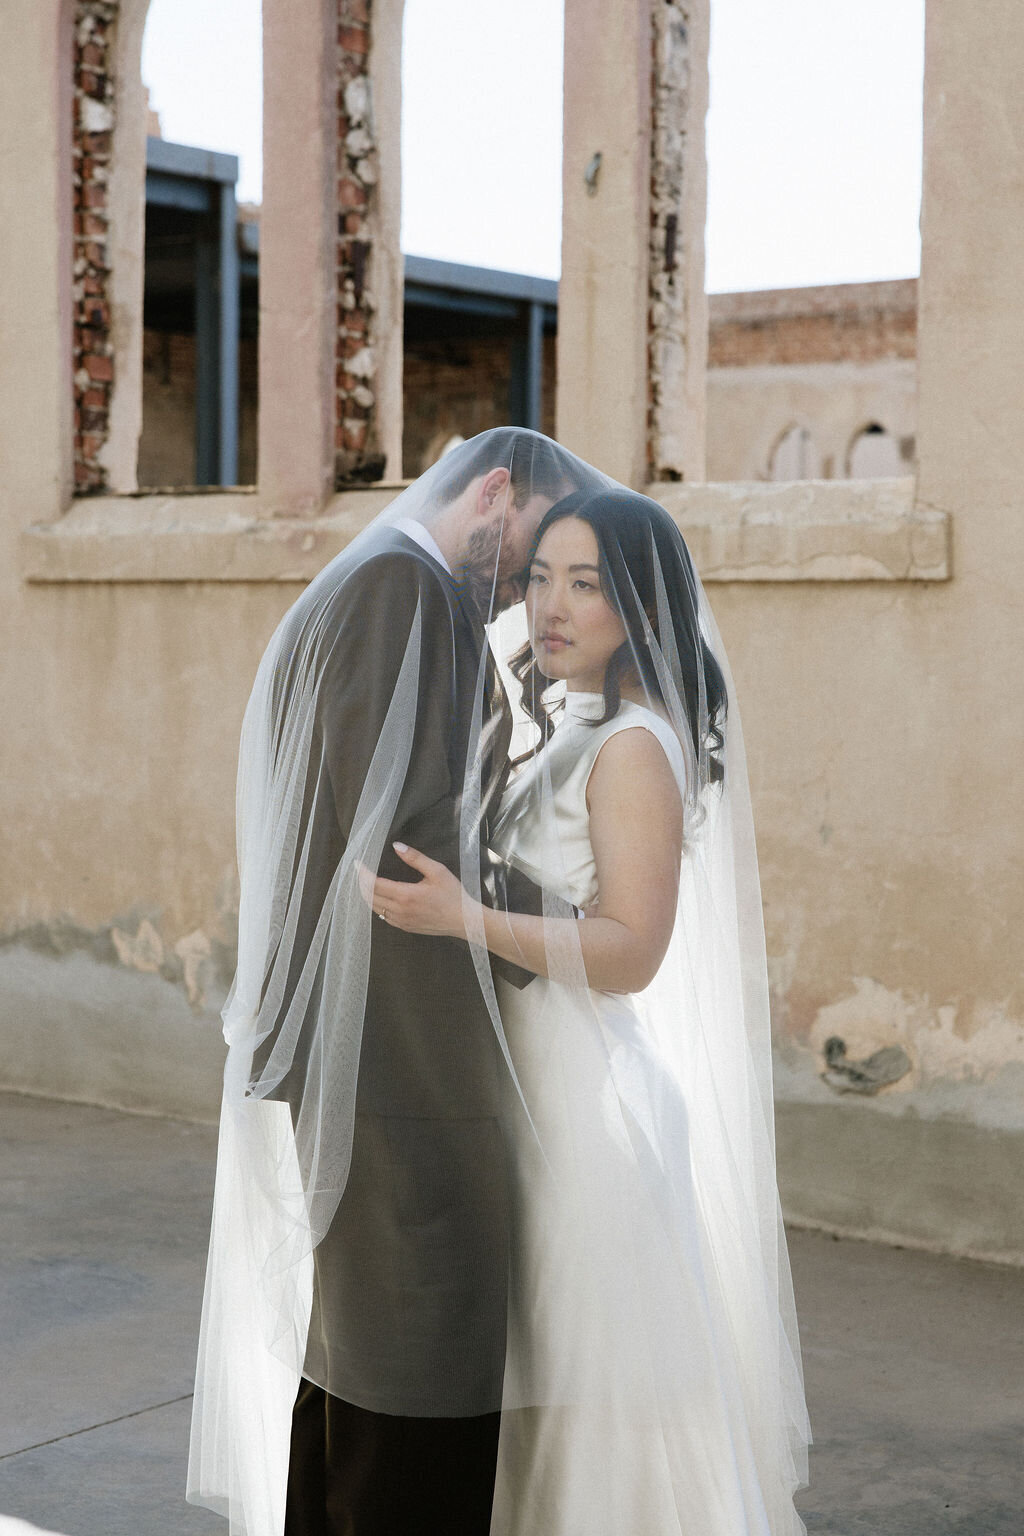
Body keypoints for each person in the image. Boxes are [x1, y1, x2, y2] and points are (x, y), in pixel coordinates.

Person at [369, 487, 812, 1534]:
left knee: (595, 1402)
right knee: (544, 1394)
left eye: (585, 584)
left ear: (642, 611)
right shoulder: (576, 726)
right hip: (530, 1097)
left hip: (582, 1115)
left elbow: (630, 952)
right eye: (537, 579)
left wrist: (462, 918)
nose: (550, 607)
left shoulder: (630, 748)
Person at [187, 430, 603, 1536]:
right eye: (523, 563)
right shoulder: (398, 593)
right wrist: (574, 931)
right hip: (397, 1044)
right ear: (495, 493)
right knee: (421, 1360)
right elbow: (411, 840)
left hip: (376, 1034)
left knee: (364, 1355)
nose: (522, 591)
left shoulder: (384, 585)